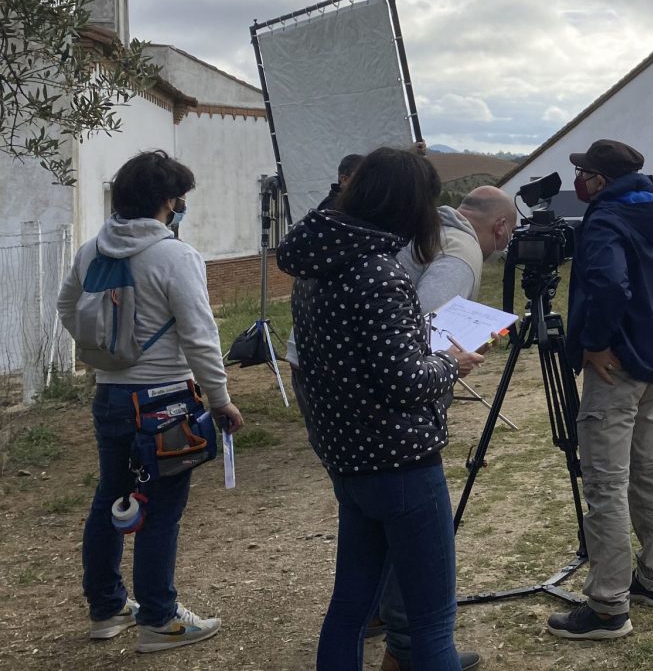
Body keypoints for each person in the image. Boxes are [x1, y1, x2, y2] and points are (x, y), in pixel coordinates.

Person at [278, 147, 487, 671]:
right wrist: (451, 363)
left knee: (350, 607)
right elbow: (404, 381)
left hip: (348, 458)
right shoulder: (378, 273)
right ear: (408, 206)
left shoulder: (318, 266)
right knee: (432, 623)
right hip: (401, 465)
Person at [57, 151, 246, 653]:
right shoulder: (175, 256)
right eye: (179, 198)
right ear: (168, 201)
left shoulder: (92, 251)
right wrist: (221, 399)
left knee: (111, 497)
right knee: (160, 510)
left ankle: (107, 608)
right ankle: (160, 618)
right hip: (165, 399)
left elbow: (65, 306)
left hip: (110, 394)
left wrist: (103, 351)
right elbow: (200, 335)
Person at [548, 139, 653, 641]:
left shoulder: (605, 221)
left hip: (614, 372)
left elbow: (610, 285)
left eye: (584, 173)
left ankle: (608, 605)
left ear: (600, 180)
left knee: (606, 483)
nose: (579, 181)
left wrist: (595, 343)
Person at [374, 185, 516, 671]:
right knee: (416, 523)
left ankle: (383, 618)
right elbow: (424, 333)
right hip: (401, 406)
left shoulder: (426, 230)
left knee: (376, 515)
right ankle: (411, 644)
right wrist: (460, 356)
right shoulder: (463, 251)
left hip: (348, 399)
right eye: (508, 236)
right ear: (500, 227)